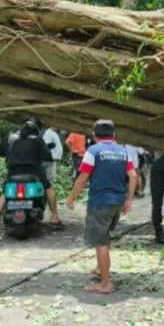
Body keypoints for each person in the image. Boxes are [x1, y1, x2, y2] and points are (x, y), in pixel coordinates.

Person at [66, 120, 137, 295]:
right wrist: (129, 199)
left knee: (100, 241)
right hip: (118, 201)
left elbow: (83, 177)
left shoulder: (93, 151)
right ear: (114, 135)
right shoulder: (123, 151)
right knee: (105, 235)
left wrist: (71, 197)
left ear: (94, 135)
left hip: (100, 201)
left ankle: (106, 283)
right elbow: (133, 175)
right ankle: (100, 269)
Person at [0, 120, 63, 231]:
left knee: (4, 193)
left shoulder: (12, 139)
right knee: (48, 188)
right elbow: (47, 156)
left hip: (13, 172)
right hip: (33, 171)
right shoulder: (37, 140)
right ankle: (55, 217)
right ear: (35, 131)